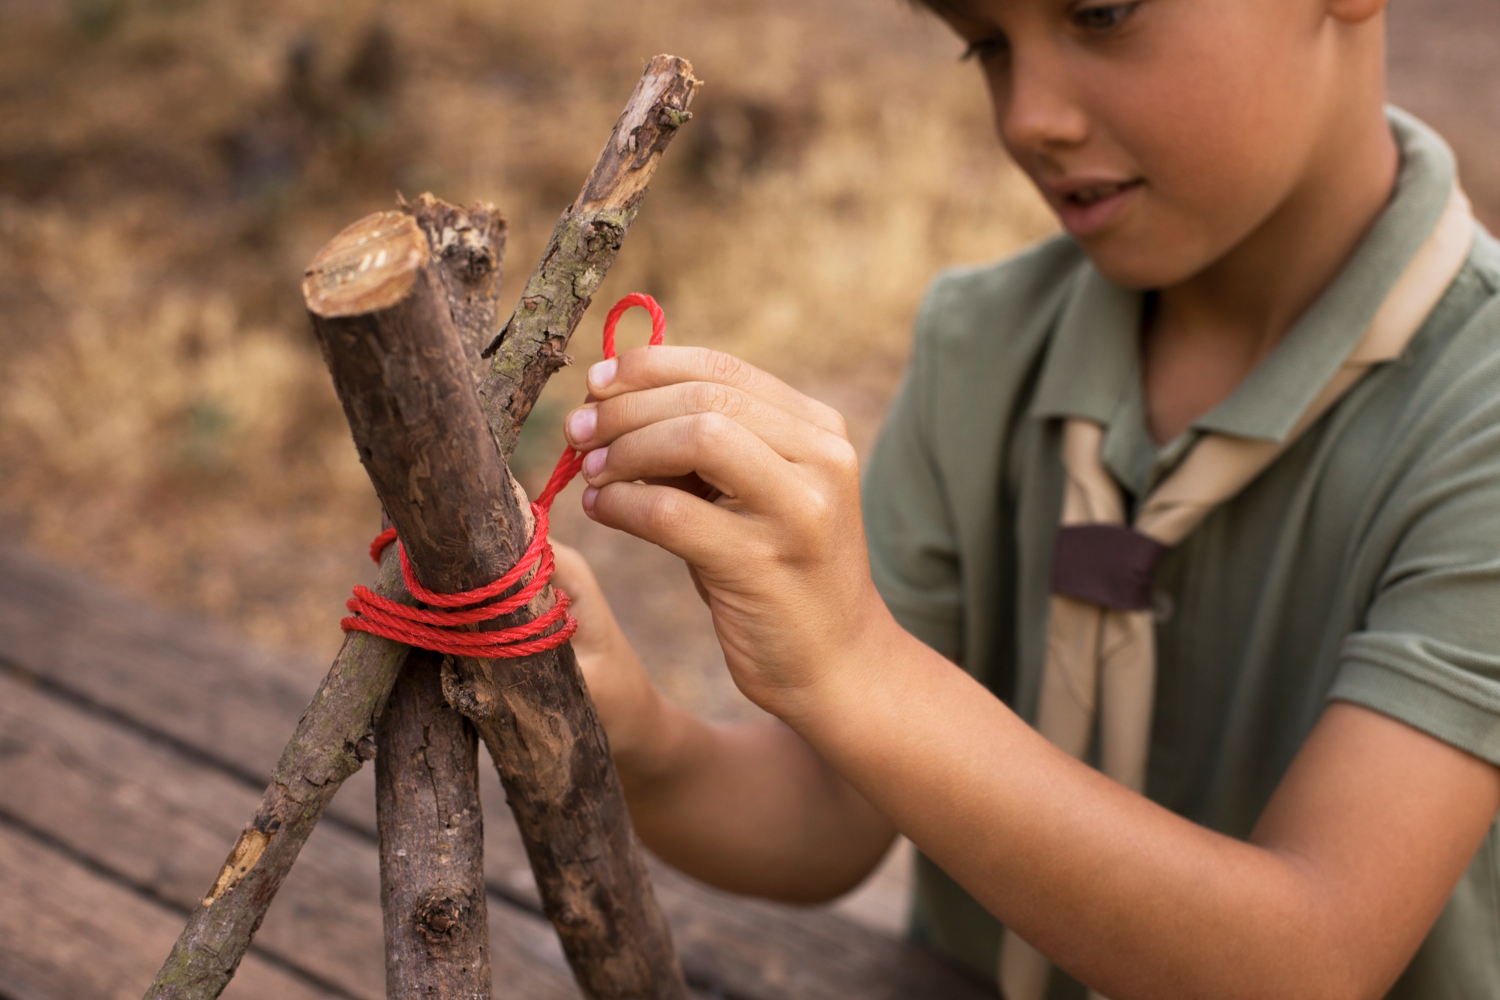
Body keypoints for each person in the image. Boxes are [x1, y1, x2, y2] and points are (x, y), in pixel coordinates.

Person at [549, 0, 1500, 996]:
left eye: (1102, 12)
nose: (1027, 119)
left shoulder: (1473, 412)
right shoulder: (983, 344)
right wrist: (633, 733)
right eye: (988, 45)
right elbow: (834, 808)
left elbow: (1310, 962)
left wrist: (855, 660)